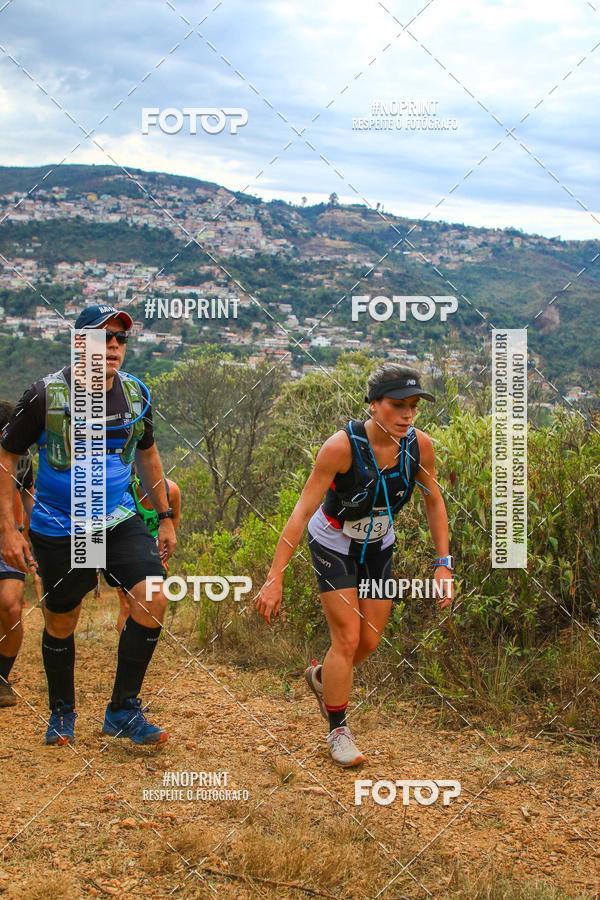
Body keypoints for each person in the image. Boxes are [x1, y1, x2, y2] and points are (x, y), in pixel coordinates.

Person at [255, 363, 454, 767]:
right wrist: (274, 578)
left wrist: (443, 563)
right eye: (397, 405)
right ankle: (338, 730)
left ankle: (324, 679)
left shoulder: (420, 447)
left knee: (370, 641)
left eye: (413, 406)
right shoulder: (341, 447)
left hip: (379, 545)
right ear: (374, 405)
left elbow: (434, 501)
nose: (407, 415)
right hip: (333, 542)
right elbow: (300, 512)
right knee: (346, 638)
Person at [0, 304, 177, 746]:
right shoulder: (45, 396)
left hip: (117, 516)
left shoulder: (136, 395)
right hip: (61, 525)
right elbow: (6, 459)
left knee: (153, 596)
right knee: (63, 618)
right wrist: (9, 530)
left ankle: (122, 709)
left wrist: (166, 516)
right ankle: (62, 712)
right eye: (103, 337)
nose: (113, 345)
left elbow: (148, 455)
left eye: (120, 338)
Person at [114, 470, 181, 633]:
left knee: (152, 602)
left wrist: (163, 558)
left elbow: (173, 525)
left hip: (155, 551)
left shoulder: (171, 491)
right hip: (128, 550)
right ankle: (126, 650)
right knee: (126, 604)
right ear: (136, 482)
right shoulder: (125, 494)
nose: (148, 492)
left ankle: (138, 647)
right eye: (144, 487)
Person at [0, 401, 35, 708]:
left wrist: (34, 536)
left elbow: (28, 494)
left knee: (11, 607)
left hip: (11, 540)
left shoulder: (23, 458)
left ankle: (2, 677)